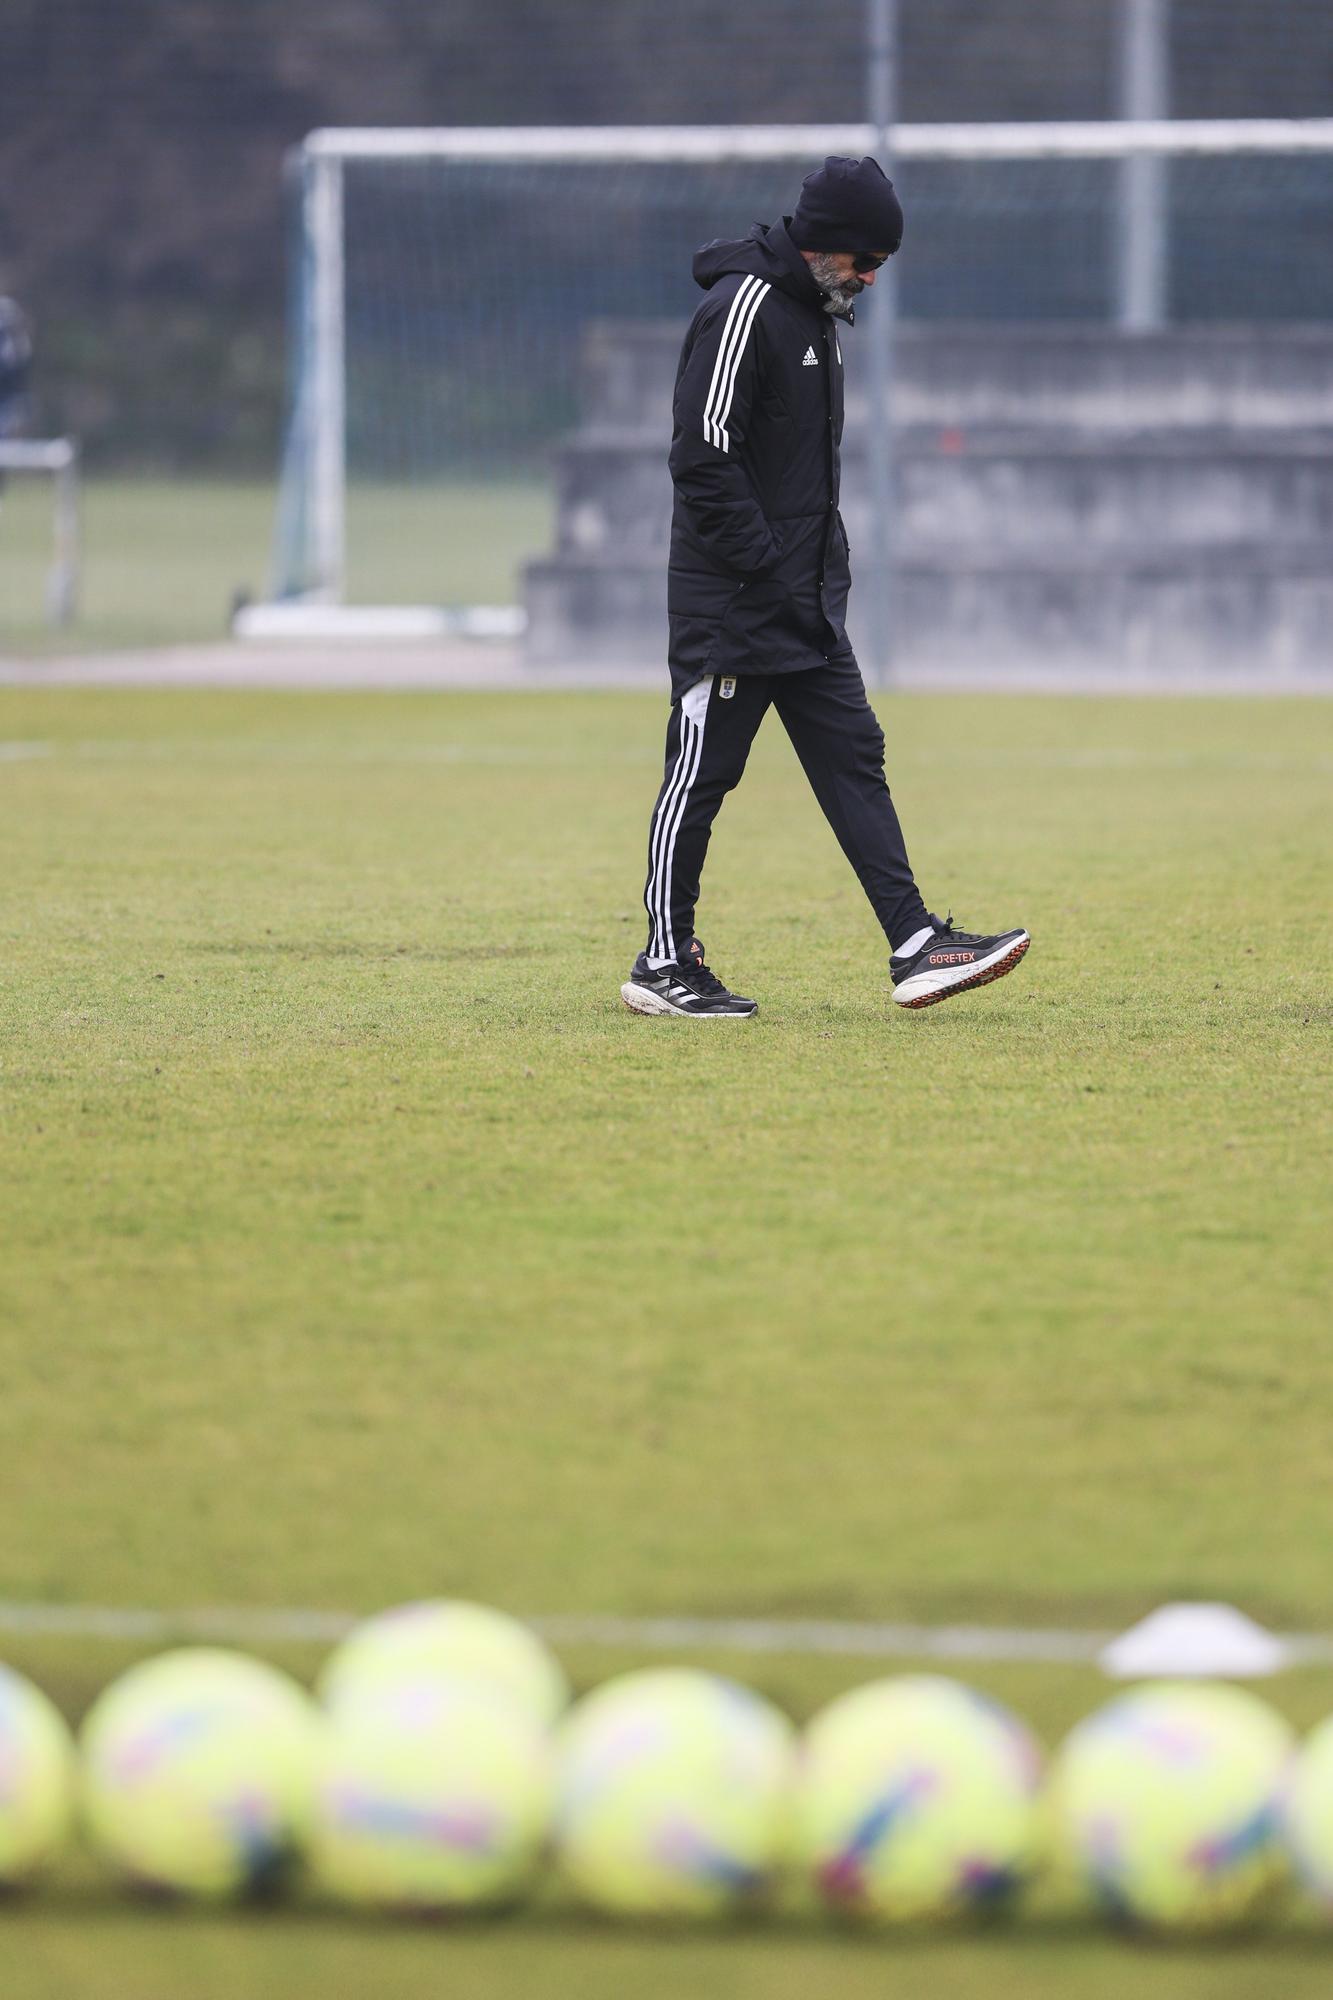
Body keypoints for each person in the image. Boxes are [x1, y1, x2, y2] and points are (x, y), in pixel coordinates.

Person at [620, 156, 1029, 1020]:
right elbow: (701, 459)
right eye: (862, 259)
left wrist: (807, 574)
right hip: (734, 604)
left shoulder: (815, 314)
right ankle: (661, 961)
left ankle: (915, 945)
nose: (871, 276)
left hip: (804, 605)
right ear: (820, 246)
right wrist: (765, 564)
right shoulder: (741, 310)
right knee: (700, 774)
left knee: (855, 756)